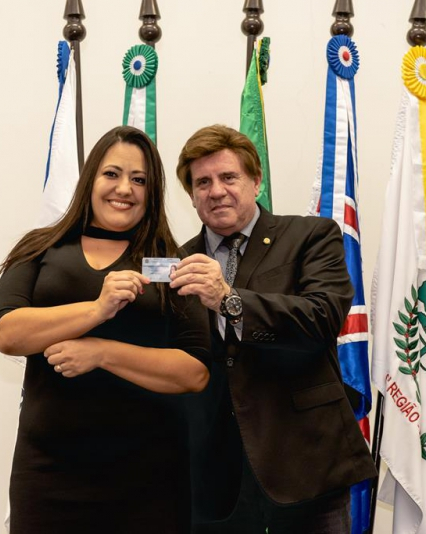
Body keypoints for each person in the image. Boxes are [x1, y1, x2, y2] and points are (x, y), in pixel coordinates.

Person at [0, 126, 210, 534]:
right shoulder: (41, 249)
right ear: (90, 179)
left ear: (153, 191)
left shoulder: (169, 264)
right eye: (112, 174)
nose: (124, 188)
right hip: (48, 475)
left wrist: (101, 353)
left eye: (139, 179)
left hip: (150, 481)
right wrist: (97, 309)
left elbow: (195, 372)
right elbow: (8, 334)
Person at [170, 125, 377, 534]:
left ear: (256, 180)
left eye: (229, 177)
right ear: (191, 195)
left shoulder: (311, 236)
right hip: (214, 478)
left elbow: (322, 318)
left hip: (305, 464)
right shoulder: (176, 263)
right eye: (202, 182)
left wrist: (229, 299)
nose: (216, 191)